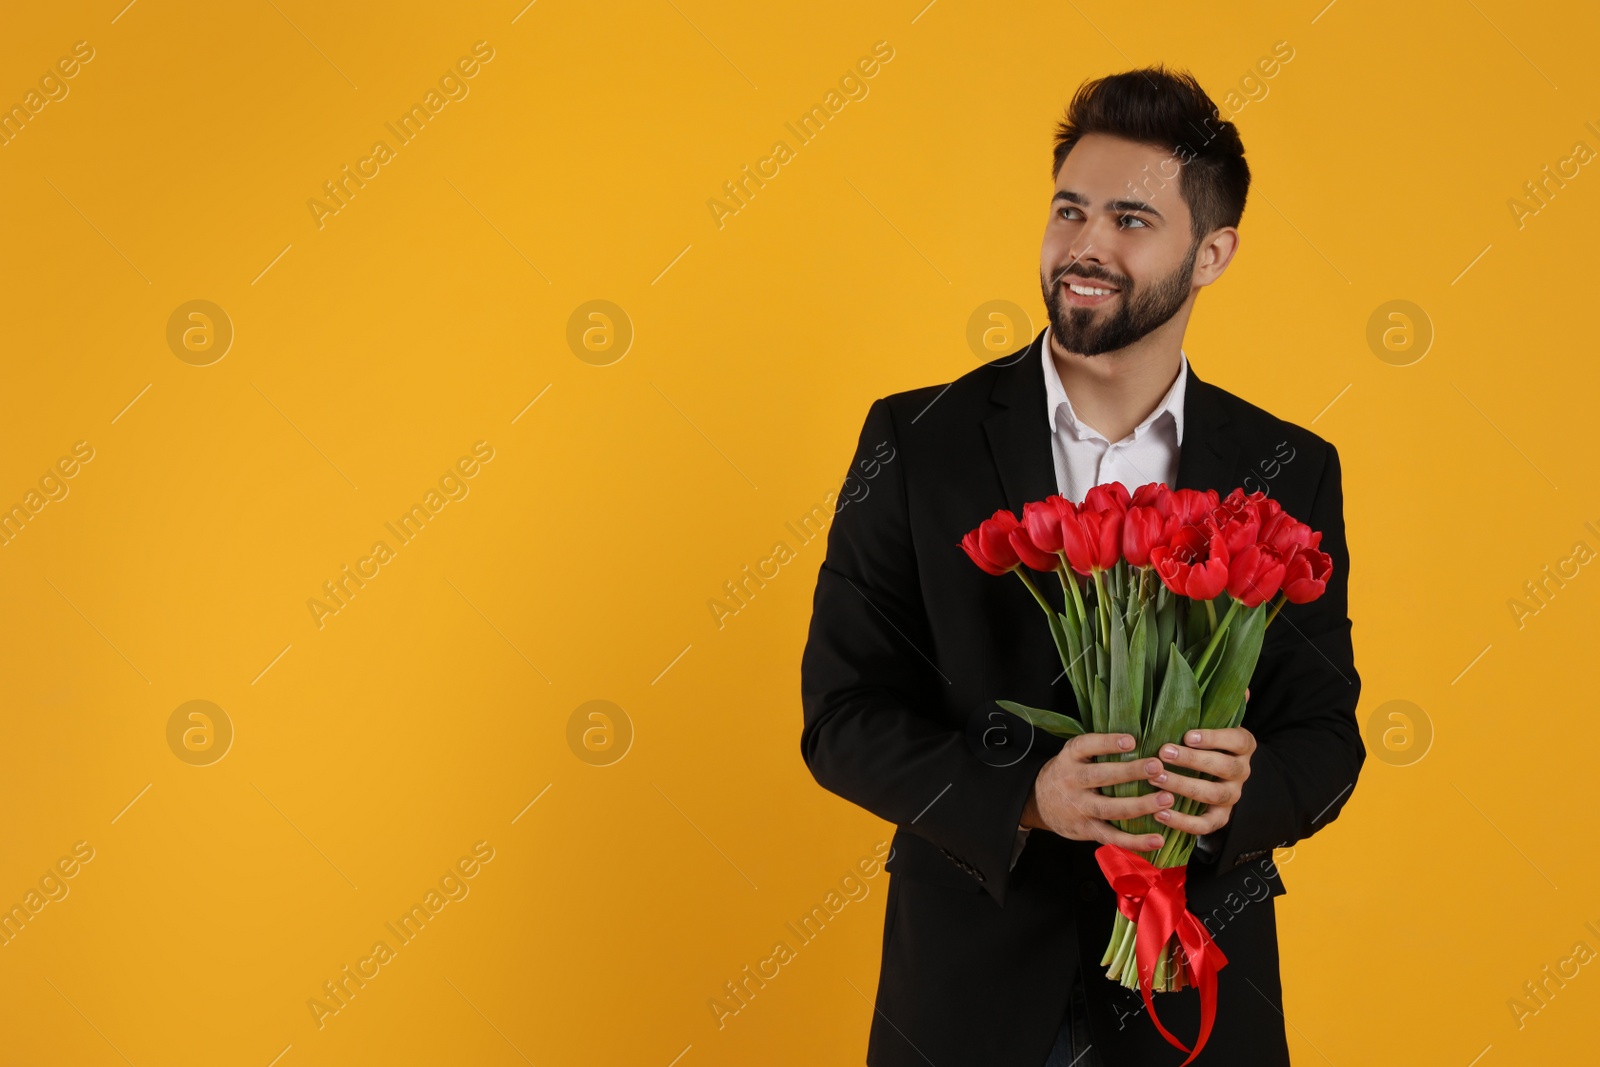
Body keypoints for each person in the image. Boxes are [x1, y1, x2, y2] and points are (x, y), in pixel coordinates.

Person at [799, 65, 1363, 1066]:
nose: (1084, 247)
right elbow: (842, 718)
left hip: (1194, 1000)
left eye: (1131, 220)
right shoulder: (915, 439)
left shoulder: (1289, 468)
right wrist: (1021, 797)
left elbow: (1325, 740)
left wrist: (1248, 785)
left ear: (1212, 252)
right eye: (1069, 211)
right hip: (965, 996)